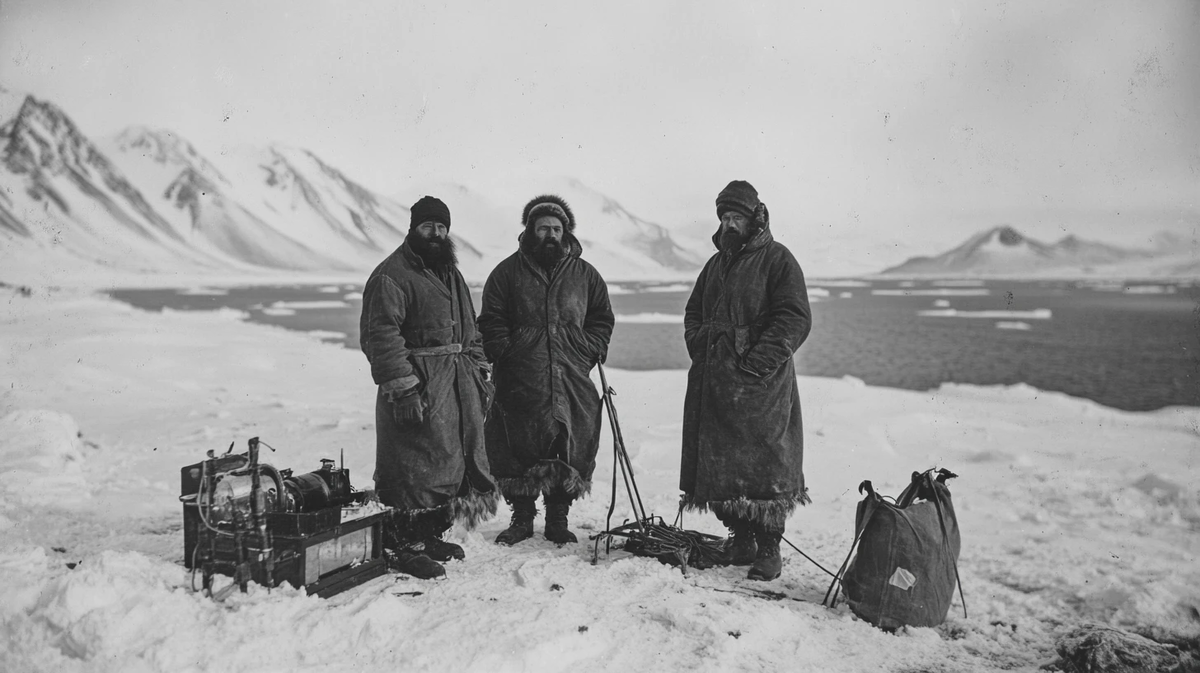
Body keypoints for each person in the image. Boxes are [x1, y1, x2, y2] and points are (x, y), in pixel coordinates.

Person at [359, 195, 498, 579]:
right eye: (428, 226)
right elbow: (380, 336)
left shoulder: (449, 272)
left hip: (455, 382)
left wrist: (479, 367)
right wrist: (402, 388)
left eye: (441, 227)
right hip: (417, 385)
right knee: (411, 464)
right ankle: (403, 544)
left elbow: (469, 326)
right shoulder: (392, 275)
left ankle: (431, 534)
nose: (435, 234)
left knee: (447, 460)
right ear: (413, 228)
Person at [680, 180, 813, 581]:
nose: (729, 223)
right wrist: (702, 347)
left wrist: (756, 362)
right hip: (715, 383)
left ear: (755, 218)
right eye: (724, 216)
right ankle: (739, 539)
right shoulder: (715, 264)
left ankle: (769, 548)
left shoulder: (777, 260)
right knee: (721, 463)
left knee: (767, 464)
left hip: (762, 387)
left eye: (736, 216)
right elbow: (693, 315)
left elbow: (794, 317)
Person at [478, 195, 615, 546]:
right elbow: (491, 319)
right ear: (530, 231)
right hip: (521, 374)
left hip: (571, 373)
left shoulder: (586, 274)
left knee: (566, 442)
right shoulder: (506, 272)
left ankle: (558, 518)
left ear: (565, 232)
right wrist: (507, 350)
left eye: (556, 229)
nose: (550, 235)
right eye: (543, 229)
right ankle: (522, 518)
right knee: (517, 443)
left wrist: (588, 349)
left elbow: (601, 318)